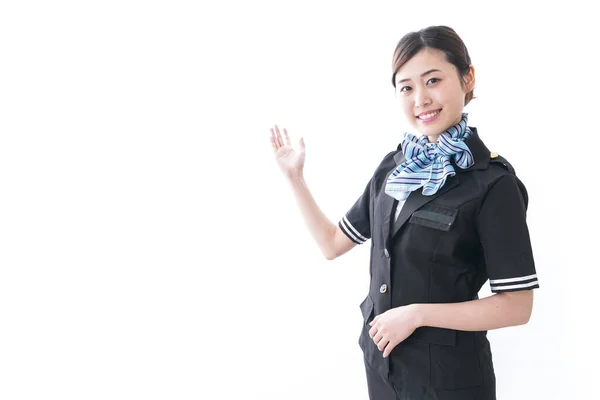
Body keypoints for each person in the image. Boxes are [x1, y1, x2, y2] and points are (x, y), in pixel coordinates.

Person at [269, 25, 538, 400]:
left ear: (468, 77)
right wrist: (295, 178)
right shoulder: (394, 168)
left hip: (450, 382)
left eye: (433, 80)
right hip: (383, 367)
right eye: (407, 87)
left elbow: (517, 305)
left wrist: (417, 314)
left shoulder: (492, 183)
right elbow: (332, 244)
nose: (421, 99)